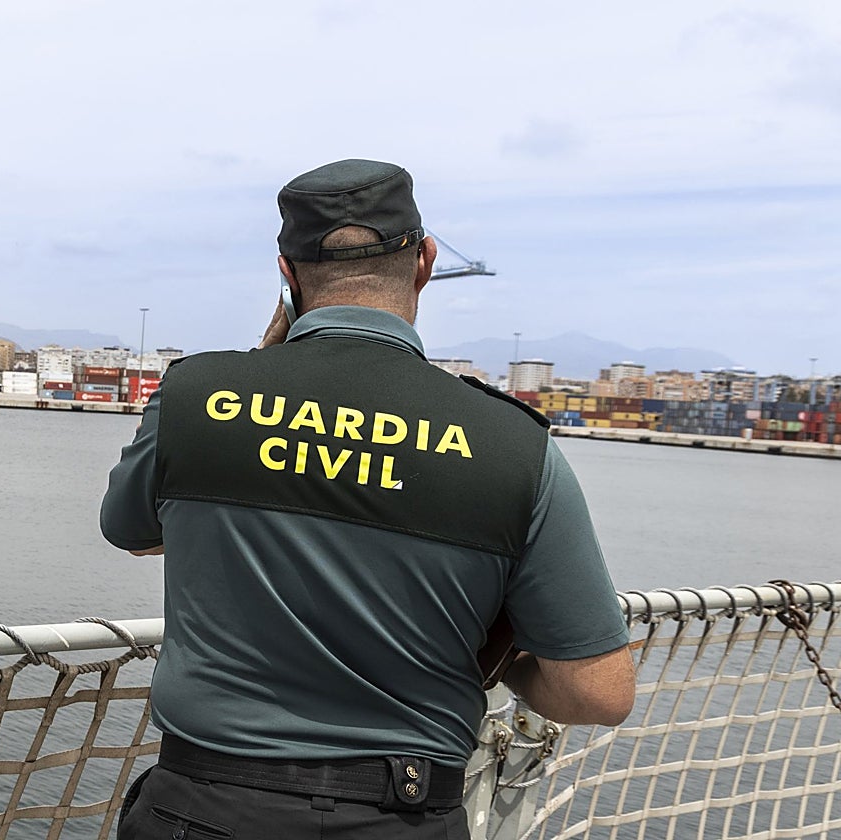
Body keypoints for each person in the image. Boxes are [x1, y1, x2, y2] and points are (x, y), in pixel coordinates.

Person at [100, 158, 635, 839]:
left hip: (203, 808)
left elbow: (133, 529)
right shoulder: (513, 447)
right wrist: (512, 667)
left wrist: (265, 372)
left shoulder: (194, 398)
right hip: (404, 814)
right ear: (426, 262)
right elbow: (602, 692)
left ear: (287, 275)